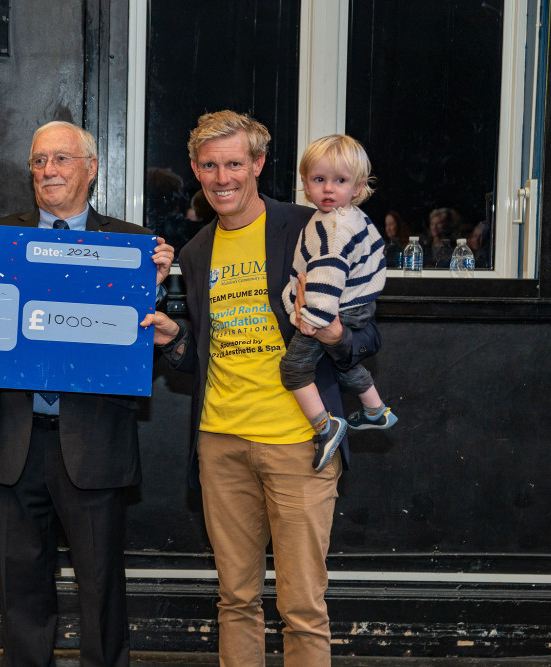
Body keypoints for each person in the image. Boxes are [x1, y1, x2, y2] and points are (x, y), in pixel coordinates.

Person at [140, 111, 380, 666]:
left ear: (258, 165)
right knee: (235, 599)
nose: (222, 178)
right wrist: (176, 339)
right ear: (196, 171)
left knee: (301, 606)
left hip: (300, 443)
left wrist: (338, 331)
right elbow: (196, 354)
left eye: (234, 164)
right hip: (220, 442)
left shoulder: (309, 225)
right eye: (210, 166)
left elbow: (367, 336)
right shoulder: (197, 250)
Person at [0, 120, 173, 666]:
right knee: (21, 595)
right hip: (13, 441)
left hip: (94, 445)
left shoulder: (134, 248)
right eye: (38, 161)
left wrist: (156, 292)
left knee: (102, 595)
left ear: (91, 168)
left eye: (62, 159)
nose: (48, 171)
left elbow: (149, 344)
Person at [280, 134, 396, 472]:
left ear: (358, 187)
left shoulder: (334, 227)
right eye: (319, 180)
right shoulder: (353, 216)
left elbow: (328, 276)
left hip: (332, 308)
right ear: (305, 183)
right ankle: (376, 410)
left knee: (293, 369)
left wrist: (310, 319)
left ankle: (325, 427)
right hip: (359, 305)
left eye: (340, 181)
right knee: (343, 362)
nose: (328, 189)